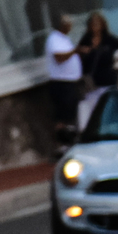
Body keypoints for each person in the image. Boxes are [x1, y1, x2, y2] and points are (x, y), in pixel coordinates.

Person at [77, 11, 118, 130]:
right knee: (91, 112)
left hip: (108, 80)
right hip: (92, 84)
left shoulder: (109, 39)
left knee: (108, 110)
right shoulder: (86, 40)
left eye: (98, 23)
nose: (95, 26)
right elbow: (78, 55)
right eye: (93, 23)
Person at [41, 12, 83, 144]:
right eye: (68, 23)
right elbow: (59, 57)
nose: (71, 25)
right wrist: (75, 51)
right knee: (63, 116)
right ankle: (63, 142)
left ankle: (71, 139)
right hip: (61, 83)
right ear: (61, 25)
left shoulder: (64, 38)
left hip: (70, 82)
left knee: (70, 113)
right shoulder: (54, 39)